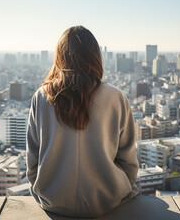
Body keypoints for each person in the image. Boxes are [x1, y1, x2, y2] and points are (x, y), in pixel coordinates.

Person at [26, 26, 138, 218]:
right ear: (95, 56)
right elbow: (128, 159)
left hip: (53, 199)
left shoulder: (42, 97)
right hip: (107, 199)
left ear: (60, 56)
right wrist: (120, 187)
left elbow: (33, 157)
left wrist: (41, 188)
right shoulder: (115, 97)